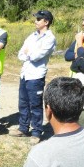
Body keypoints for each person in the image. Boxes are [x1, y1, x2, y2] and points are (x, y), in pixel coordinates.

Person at [9, 10, 55, 144]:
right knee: (23, 102)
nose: (36, 21)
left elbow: (37, 56)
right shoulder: (32, 36)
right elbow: (20, 54)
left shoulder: (49, 38)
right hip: (25, 73)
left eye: (39, 19)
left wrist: (29, 53)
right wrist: (29, 53)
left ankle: (36, 132)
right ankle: (23, 128)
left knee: (35, 104)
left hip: (36, 76)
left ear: (46, 22)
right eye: (36, 18)